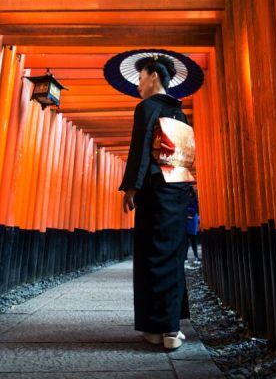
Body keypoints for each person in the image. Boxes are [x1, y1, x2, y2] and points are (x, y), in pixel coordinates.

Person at [119, 54, 192, 351]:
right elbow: (185, 157)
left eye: (140, 78)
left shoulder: (146, 107)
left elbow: (140, 147)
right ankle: (169, 328)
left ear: (153, 77)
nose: (138, 86)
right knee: (173, 254)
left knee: (151, 254)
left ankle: (156, 326)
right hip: (177, 191)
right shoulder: (180, 113)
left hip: (153, 190)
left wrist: (131, 189)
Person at [186, 186, 200, 265]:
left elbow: (195, 209)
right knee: (188, 240)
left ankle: (196, 256)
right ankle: (191, 257)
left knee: (192, 239)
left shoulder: (193, 199)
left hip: (191, 219)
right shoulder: (192, 199)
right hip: (189, 219)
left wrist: (187, 211)